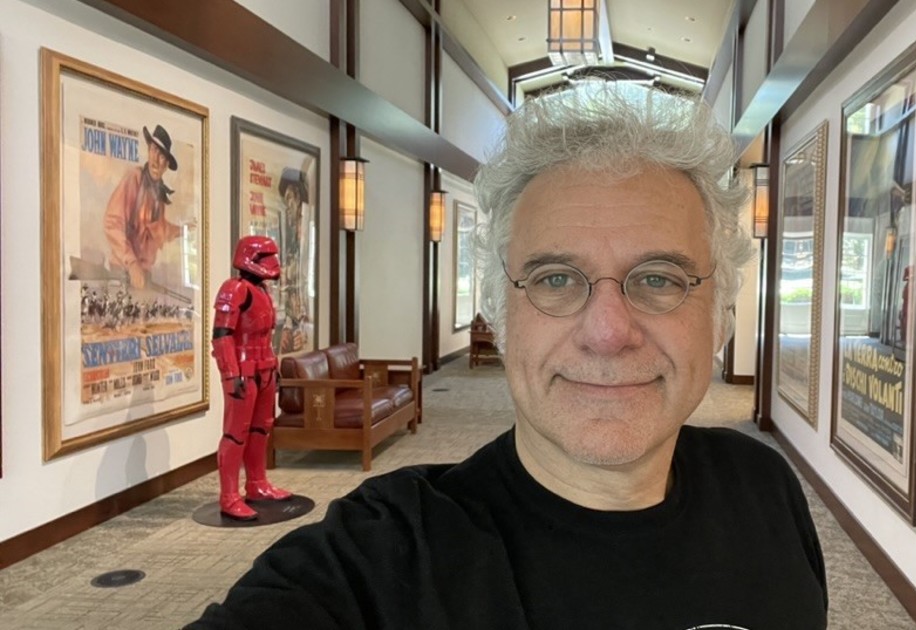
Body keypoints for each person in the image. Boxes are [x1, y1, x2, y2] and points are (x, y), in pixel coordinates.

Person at [191, 85, 827, 628]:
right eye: (556, 279)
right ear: (500, 314)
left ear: (720, 315)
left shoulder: (765, 489)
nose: (608, 332)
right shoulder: (382, 556)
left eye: (659, 278)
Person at [210, 235, 293, 520]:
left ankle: (257, 484)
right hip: (243, 371)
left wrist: (274, 368)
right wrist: (231, 373)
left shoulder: (262, 291)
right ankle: (229, 497)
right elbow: (221, 336)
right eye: (265, 257)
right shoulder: (234, 289)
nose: (272, 263)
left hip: (264, 368)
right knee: (236, 433)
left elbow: (266, 335)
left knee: (261, 429)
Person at [104, 124, 185, 290]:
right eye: (154, 150)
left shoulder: (159, 195)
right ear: (148, 150)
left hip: (143, 277)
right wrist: (132, 263)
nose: (155, 160)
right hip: (123, 274)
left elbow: (159, 230)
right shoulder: (134, 178)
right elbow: (112, 223)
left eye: (161, 156)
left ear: (166, 164)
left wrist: (185, 230)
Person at [275, 167, 310, 353]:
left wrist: (303, 330)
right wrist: (285, 328)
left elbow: (303, 286)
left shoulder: (306, 243)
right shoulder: (286, 242)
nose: (289, 207)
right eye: (287, 200)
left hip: (300, 325)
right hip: (288, 323)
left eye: (292, 199)